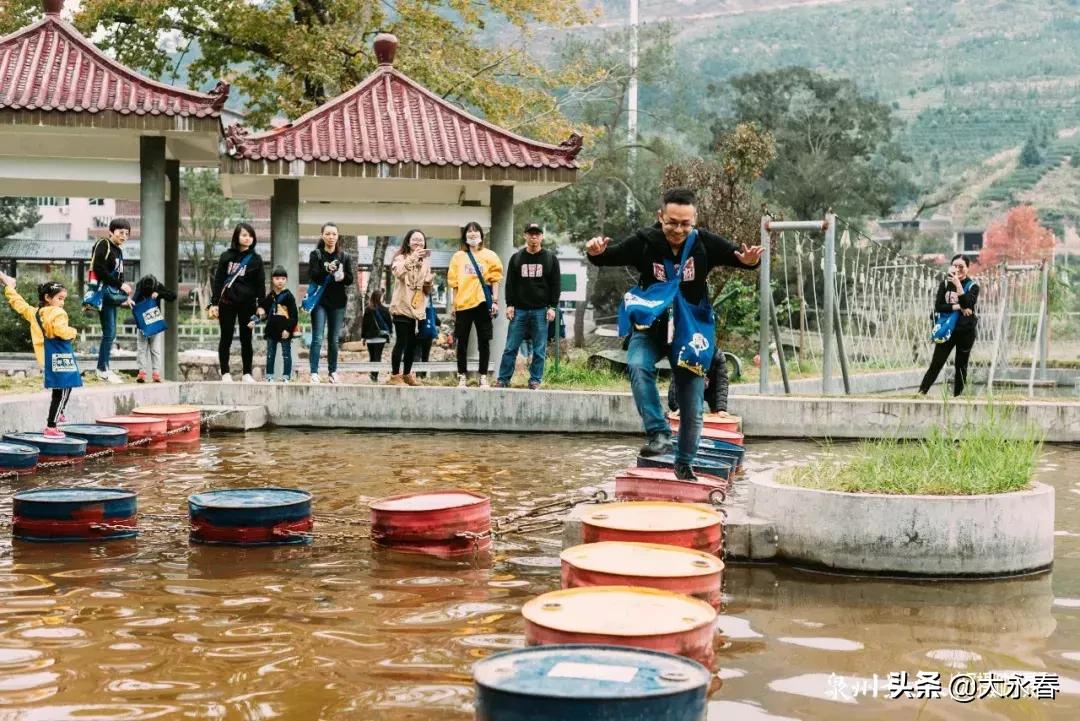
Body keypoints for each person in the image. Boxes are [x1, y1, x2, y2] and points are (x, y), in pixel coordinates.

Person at [585, 187, 763, 480]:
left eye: (685, 223)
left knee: (692, 402)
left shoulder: (704, 243)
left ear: (694, 220)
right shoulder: (644, 241)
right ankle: (658, 433)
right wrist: (595, 253)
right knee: (638, 365)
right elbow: (608, 256)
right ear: (661, 217)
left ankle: (684, 463)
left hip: (690, 331)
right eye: (672, 222)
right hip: (651, 326)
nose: (678, 230)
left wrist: (749, 261)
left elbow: (740, 258)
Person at [1, 272, 81, 437]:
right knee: (64, 389)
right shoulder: (58, 313)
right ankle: (52, 425)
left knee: (60, 389)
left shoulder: (35, 313)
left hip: (48, 356)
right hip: (61, 354)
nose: (63, 303)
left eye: (64, 299)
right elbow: (61, 331)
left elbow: (19, 304)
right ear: (48, 297)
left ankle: (58, 414)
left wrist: (9, 288)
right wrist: (73, 332)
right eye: (60, 298)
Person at [495, 223, 561, 389]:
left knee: (539, 349)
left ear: (542, 237)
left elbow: (555, 284)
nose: (534, 237)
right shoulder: (517, 258)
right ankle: (503, 379)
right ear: (525, 236)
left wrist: (552, 307)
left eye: (537, 234)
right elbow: (510, 284)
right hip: (520, 310)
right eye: (531, 234)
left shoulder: (550, 258)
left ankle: (535, 380)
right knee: (510, 347)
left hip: (541, 310)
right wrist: (509, 305)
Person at [447, 221, 503, 388]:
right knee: (462, 341)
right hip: (463, 304)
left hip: (482, 303)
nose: (472, 234)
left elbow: (495, 280)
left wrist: (495, 301)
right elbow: (454, 283)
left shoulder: (490, 255)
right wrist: (453, 305)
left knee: (484, 341)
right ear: (465, 236)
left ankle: (483, 376)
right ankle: (462, 375)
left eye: (475, 231)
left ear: (481, 236)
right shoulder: (458, 257)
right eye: (469, 232)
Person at [209, 222, 265, 383]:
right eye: (244, 235)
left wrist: (261, 305)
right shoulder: (226, 256)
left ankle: (247, 373)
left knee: (246, 338)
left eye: (250, 235)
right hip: (227, 303)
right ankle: (225, 372)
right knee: (225, 337)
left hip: (248, 304)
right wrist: (214, 303)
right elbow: (218, 280)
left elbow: (260, 284)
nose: (247, 238)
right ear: (237, 236)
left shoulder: (256, 259)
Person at [919, 254, 980, 397]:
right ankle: (921, 394)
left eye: (961, 266)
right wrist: (959, 306)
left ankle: (957, 397)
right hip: (946, 330)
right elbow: (939, 307)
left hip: (965, 331)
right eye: (955, 266)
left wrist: (958, 285)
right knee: (936, 364)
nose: (958, 269)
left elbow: (968, 304)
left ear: (967, 268)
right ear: (951, 266)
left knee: (961, 366)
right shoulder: (945, 284)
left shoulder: (973, 286)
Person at [307, 222, 354, 384]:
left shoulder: (344, 256)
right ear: (322, 236)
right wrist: (326, 270)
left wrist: (342, 276)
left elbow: (350, 279)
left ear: (338, 236)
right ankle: (313, 372)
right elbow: (313, 275)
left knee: (333, 339)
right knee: (317, 338)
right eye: (327, 234)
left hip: (338, 302)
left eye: (334, 234)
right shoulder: (316, 255)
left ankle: (332, 371)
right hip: (319, 300)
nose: (331, 237)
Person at [388, 229, 434, 386]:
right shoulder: (400, 258)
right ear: (408, 242)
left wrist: (429, 282)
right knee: (401, 341)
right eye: (414, 240)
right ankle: (395, 375)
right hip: (401, 306)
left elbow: (426, 289)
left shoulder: (426, 263)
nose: (418, 243)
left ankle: (407, 374)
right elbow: (399, 272)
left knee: (413, 344)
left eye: (421, 240)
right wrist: (413, 257)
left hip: (418, 308)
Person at [91, 219, 134, 383]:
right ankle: (102, 369)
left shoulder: (119, 251)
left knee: (111, 333)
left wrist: (124, 295)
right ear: (111, 232)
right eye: (120, 232)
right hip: (105, 293)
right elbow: (99, 269)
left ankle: (104, 368)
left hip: (112, 294)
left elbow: (119, 275)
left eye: (127, 233)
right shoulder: (103, 244)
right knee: (109, 332)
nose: (124, 236)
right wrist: (120, 285)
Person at [254, 266, 298, 383]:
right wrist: (256, 317)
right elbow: (264, 312)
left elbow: (294, 316)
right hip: (271, 330)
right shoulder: (270, 296)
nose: (280, 281)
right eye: (277, 278)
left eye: (283, 278)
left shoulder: (289, 296)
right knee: (270, 354)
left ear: (286, 280)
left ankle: (286, 376)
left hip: (284, 330)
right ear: (272, 280)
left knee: (286, 354)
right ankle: (269, 376)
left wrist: (288, 330)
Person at [131, 274, 177, 383]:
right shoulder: (140, 286)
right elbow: (134, 299)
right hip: (142, 323)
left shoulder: (157, 286)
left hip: (154, 321)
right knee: (141, 349)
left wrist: (159, 293)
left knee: (155, 349)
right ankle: (142, 373)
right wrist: (132, 302)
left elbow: (173, 296)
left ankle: (156, 373)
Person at [668, 348, 730, 414]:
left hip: (711, 388)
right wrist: (677, 406)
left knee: (718, 412)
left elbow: (722, 383)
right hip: (689, 386)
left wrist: (721, 409)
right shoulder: (685, 354)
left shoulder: (718, 355)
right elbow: (677, 383)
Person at [361, 290, 393, 382]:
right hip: (381, 338)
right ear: (380, 298)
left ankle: (373, 374)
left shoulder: (368, 310)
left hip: (370, 338)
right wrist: (390, 334)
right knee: (378, 356)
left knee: (372, 356)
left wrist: (363, 337)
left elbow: (364, 324)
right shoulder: (384, 310)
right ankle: (375, 375)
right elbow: (389, 323)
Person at [414, 305, 439, 379]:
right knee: (425, 356)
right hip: (429, 336)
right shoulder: (432, 309)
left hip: (419, 335)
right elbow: (438, 322)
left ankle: (417, 374)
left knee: (417, 355)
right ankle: (423, 376)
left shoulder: (417, 307)